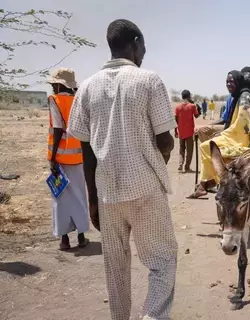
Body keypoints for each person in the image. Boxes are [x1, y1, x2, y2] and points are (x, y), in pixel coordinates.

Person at [68, 19, 177, 320]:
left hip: (107, 194)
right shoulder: (148, 80)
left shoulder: (87, 88)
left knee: (115, 268)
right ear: (136, 42)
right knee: (162, 261)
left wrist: (92, 200)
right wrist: (158, 160)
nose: (144, 53)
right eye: (143, 47)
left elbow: (86, 150)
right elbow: (165, 140)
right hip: (145, 189)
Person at [188, 70, 250, 198]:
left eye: (232, 81)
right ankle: (208, 184)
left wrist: (223, 133)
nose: (229, 84)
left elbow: (242, 125)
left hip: (240, 138)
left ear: (238, 82)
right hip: (234, 135)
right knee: (206, 145)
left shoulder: (245, 97)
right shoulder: (238, 96)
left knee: (206, 147)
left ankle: (217, 182)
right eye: (227, 81)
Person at [47, 68, 89, 251]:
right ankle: (81, 237)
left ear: (58, 84)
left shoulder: (55, 100)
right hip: (78, 157)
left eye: (53, 85)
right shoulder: (78, 100)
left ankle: (64, 240)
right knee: (80, 197)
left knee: (61, 197)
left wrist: (52, 158)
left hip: (61, 159)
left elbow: (57, 128)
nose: (52, 88)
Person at [175, 89, 200, 173]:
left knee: (181, 149)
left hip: (181, 132)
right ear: (189, 96)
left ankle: (180, 164)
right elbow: (196, 116)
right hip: (189, 132)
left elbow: (176, 120)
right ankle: (187, 167)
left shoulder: (178, 107)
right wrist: (198, 109)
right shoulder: (192, 106)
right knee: (189, 150)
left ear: (182, 96)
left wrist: (176, 131)